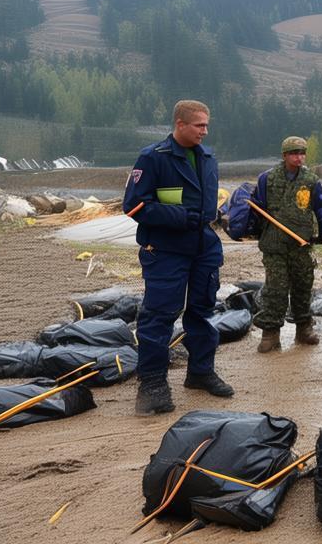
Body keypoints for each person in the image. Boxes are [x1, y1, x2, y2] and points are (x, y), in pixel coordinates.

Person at [122, 99, 234, 415]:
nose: (205, 131)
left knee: (202, 311)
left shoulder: (208, 158)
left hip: (204, 247)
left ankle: (200, 372)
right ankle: (153, 385)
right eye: (199, 125)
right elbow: (132, 206)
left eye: (207, 125)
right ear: (180, 124)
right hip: (166, 249)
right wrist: (178, 216)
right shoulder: (153, 158)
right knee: (159, 316)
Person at [254, 136, 322, 353]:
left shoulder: (311, 180)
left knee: (302, 286)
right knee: (275, 289)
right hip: (274, 245)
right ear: (284, 155)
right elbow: (257, 208)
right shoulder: (267, 179)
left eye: (302, 153)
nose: (299, 157)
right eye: (294, 153)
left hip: (301, 243)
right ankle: (270, 333)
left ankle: (303, 328)